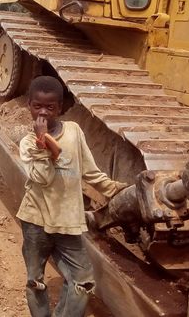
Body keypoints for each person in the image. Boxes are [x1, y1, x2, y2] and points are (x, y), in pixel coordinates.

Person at [18, 75, 126, 317]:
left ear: (61, 107)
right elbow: (43, 178)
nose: (43, 113)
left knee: (83, 281)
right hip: (36, 221)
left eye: (50, 107)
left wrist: (112, 188)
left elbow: (88, 169)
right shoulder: (27, 144)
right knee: (36, 280)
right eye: (37, 107)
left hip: (68, 221)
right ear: (29, 105)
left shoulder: (74, 131)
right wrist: (42, 143)